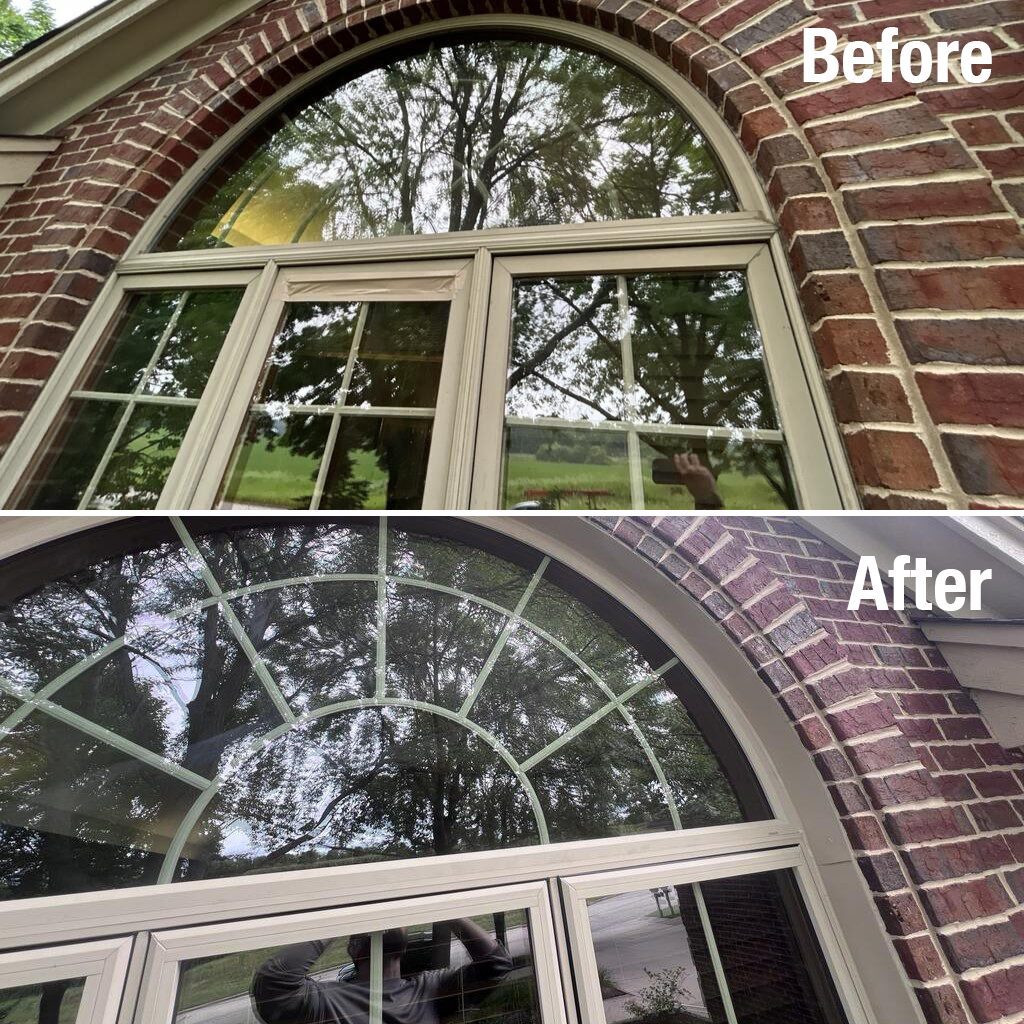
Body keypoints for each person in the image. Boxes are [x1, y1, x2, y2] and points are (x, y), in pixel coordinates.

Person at [251, 918, 514, 1024]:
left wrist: (443, 905)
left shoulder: (430, 992)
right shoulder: (325, 1002)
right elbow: (273, 982)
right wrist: (344, 915)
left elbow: (496, 964)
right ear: (353, 948)